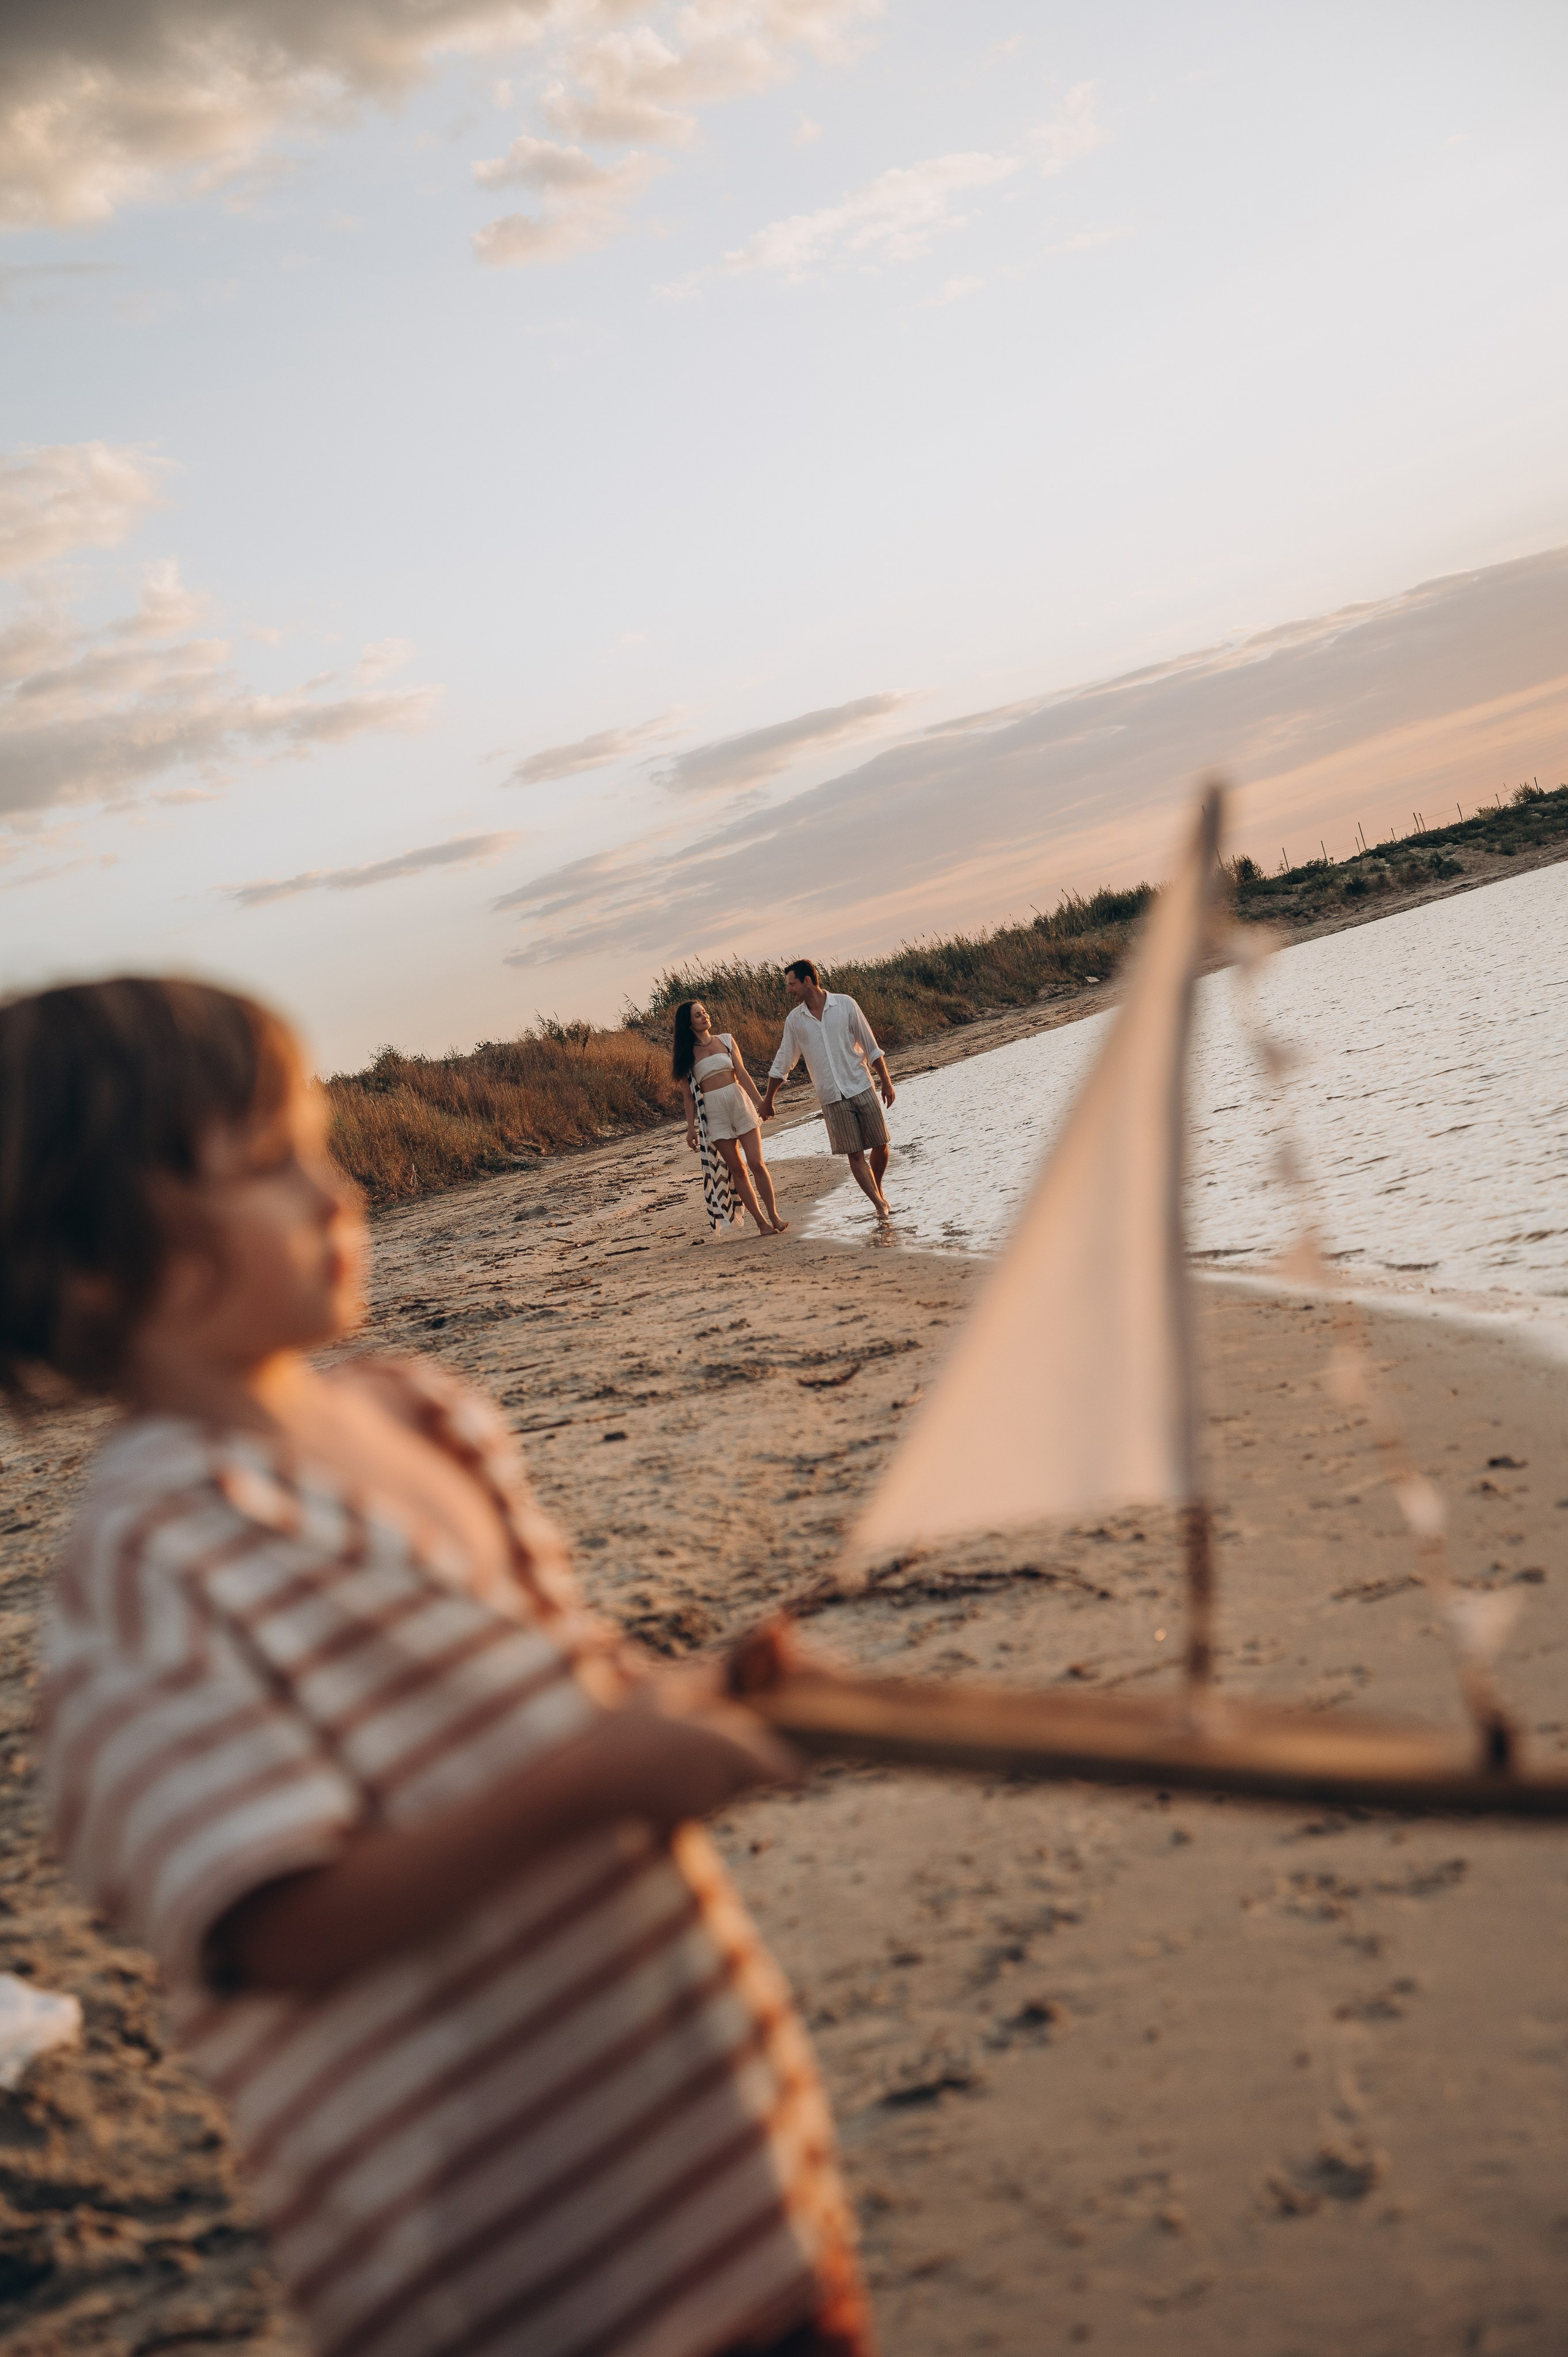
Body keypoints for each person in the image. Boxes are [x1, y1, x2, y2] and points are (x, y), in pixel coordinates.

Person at [1, 977, 872, 2357]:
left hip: (717, 2164)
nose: (334, 1188)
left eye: (316, 1140)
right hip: (502, 2258)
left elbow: (556, 1692)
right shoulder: (153, 1560)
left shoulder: (425, 1416)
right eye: (268, 1165)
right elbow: (271, 1919)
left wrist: (694, 1695)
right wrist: (595, 1787)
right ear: (93, 1263)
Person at [758, 964, 896, 1224]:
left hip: (860, 1084)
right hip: (831, 1097)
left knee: (881, 1144)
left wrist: (886, 1081)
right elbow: (783, 1061)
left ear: (807, 981)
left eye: (791, 984)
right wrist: (768, 1100)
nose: (788, 990)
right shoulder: (795, 1021)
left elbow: (871, 1045)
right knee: (854, 1154)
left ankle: (878, 1188)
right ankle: (878, 1204)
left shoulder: (845, 1005)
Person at [673, 999, 787, 1238]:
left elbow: (742, 1074)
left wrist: (762, 1102)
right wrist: (690, 1129)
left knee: (757, 1163)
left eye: (704, 1012)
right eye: (697, 1015)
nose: (704, 1017)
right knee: (738, 1169)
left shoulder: (726, 1039)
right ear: (689, 1024)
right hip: (713, 1112)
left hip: (739, 1103)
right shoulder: (686, 1054)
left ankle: (774, 1215)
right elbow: (688, 1096)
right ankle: (761, 1223)